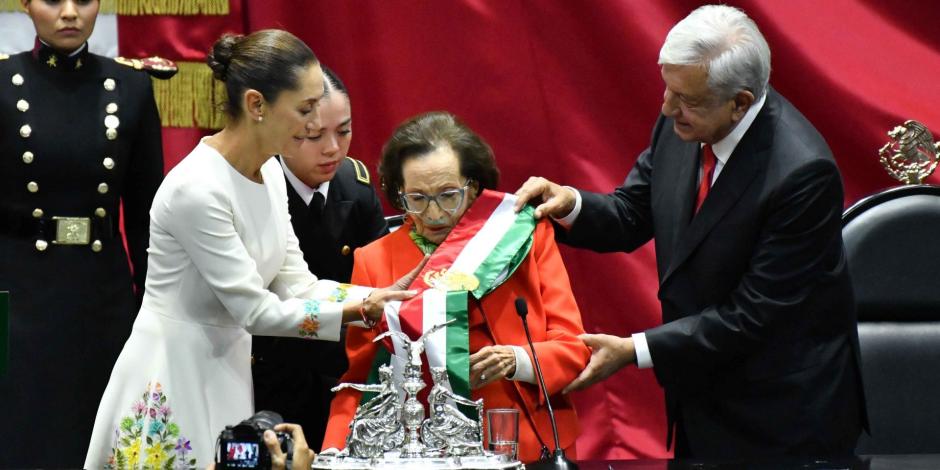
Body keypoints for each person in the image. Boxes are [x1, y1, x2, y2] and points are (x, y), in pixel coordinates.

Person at [515, 4, 867, 459]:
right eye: (669, 90)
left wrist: (633, 350)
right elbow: (630, 214)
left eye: (686, 100)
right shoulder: (686, 119)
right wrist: (568, 206)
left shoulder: (802, 174)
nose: (666, 107)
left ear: (739, 102)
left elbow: (752, 316)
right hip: (701, 399)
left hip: (784, 421)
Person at [83, 29, 422, 469]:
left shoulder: (271, 172)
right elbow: (256, 311)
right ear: (256, 105)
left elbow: (297, 283)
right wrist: (356, 311)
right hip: (172, 370)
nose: (314, 124)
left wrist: (380, 297)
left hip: (228, 367)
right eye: (304, 109)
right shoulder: (197, 188)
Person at [323, 112, 590, 462]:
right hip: (419, 452)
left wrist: (517, 359)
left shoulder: (525, 236)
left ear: (475, 186)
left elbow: (572, 347)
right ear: (397, 193)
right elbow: (362, 378)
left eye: (448, 195)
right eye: (416, 198)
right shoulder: (373, 260)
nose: (434, 213)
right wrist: (333, 451)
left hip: (522, 439)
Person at [0, 0, 168, 467]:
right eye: (53, 0)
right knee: (19, 432)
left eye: (84, 0)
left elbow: (145, 219)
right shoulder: (1, 83)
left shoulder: (131, 87)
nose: (70, 12)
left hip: (100, 293)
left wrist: (150, 306)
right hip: (16, 293)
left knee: (97, 431)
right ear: (25, 5)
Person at [252, 66, 388, 448]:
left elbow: (375, 277)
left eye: (343, 131)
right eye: (313, 135)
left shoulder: (355, 186)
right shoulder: (255, 184)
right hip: (267, 375)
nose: (332, 148)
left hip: (338, 372)